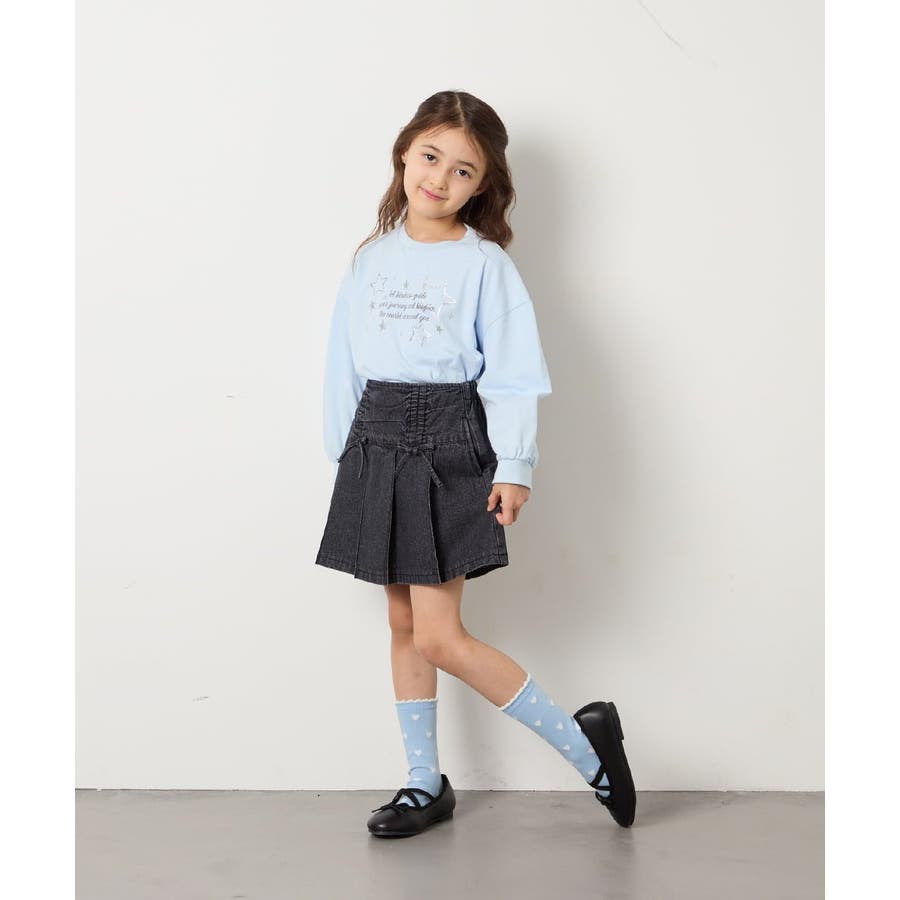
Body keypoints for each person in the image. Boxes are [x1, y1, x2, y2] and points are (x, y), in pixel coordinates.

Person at [314, 90, 636, 837]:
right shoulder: (370, 259)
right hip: (375, 439)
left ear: (481, 185)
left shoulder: (485, 265)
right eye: (430, 157)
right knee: (403, 621)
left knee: (439, 634)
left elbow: (514, 372)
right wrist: (345, 456)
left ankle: (585, 745)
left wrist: (513, 463)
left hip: (449, 440)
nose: (439, 178)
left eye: (462, 170)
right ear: (404, 153)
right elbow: (343, 362)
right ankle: (424, 783)